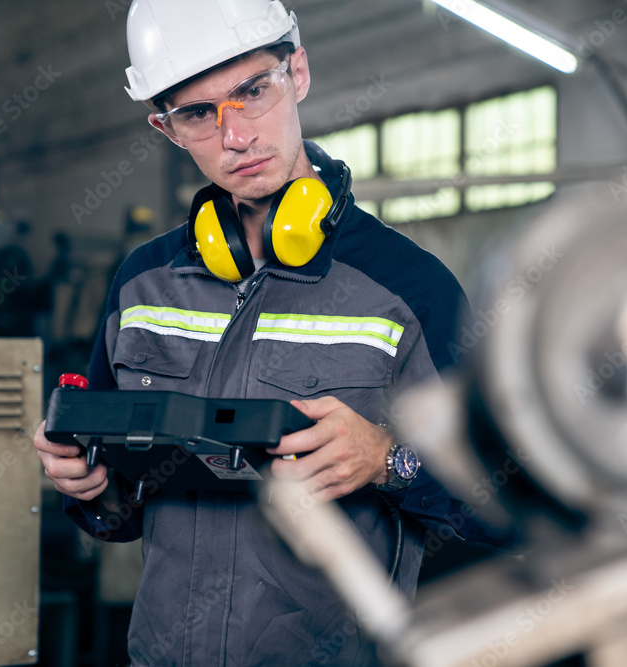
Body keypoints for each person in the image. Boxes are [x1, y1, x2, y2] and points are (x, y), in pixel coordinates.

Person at [33, 1, 511, 664]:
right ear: (166, 128)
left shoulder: (410, 288)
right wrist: (88, 484)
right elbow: (120, 508)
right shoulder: (141, 285)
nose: (235, 135)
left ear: (299, 73)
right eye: (199, 113)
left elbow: (503, 497)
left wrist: (387, 459)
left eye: (253, 91)